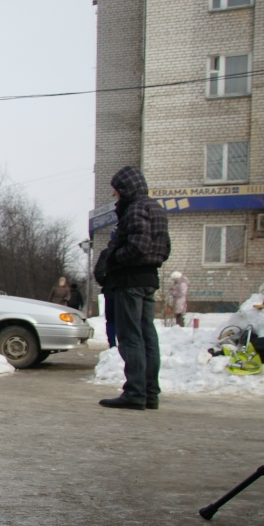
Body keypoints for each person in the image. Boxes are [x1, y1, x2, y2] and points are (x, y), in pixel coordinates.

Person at [100, 165, 171, 411]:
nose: (114, 195)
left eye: (116, 190)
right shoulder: (156, 209)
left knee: (131, 337)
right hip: (149, 279)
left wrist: (114, 258)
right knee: (147, 336)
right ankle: (150, 392)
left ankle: (135, 392)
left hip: (130, 281)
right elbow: (164, 249)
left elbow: (138, 246)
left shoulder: (136, 208)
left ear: (126, 188)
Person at [94, 242, 118, 348]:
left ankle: (112, 344)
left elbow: (98, 271)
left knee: (111, 319)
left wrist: (104, 282)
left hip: (110, 291)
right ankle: (125, 344)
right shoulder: (127, 251)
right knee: (125, 319)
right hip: (125, 290)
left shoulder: (106, 253)